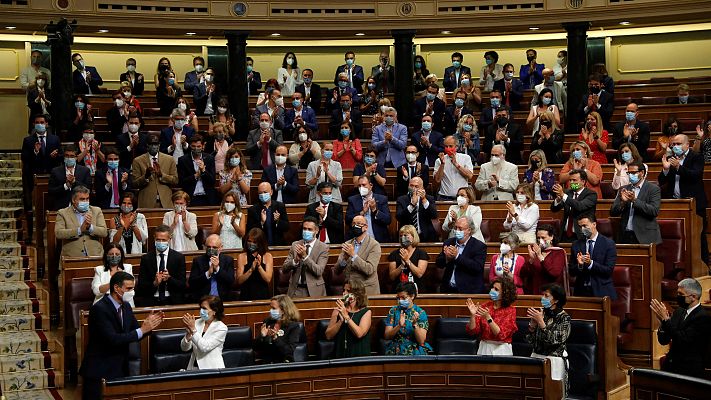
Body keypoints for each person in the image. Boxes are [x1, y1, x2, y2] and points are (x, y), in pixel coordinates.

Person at [80, 272, 163, 400]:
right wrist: (142, 330)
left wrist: (148, 326)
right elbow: (112, 339)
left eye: (133, 288)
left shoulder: (126, 307)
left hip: (120, 369)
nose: (132, 292)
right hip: (99, 370)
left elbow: (136, 332)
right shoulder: (100, 309)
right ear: (117, 288)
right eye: (129, 288)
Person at [658, 134, 708, 264]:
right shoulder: (670, 158)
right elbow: (662, 181)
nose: (675, 147)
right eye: (673, 144)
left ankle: (703, 264)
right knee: (676, 237)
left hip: (694, 204)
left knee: (698, 236)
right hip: (675, 204)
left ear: (687, 145)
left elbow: (695, 175)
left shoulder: (696, 157)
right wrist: (665, 169)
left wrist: (679, 168)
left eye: (678, 144)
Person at [651, 278, 711, 378]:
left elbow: (683, 339)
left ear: (693, 297)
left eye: (681, 294)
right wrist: (662, 322)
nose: (677, 297)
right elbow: (664, 340)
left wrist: (666, 320)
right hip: (671, 365)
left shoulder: (703, 317)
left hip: (690, 370)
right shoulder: (679, 311)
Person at [525, 283, 571, 398]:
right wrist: (532, 325)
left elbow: (555, 340)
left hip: (554, 360)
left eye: (546, 296)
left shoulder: (564, 318)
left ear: (555, 300)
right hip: (536, 358)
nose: (543, 298)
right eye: (543, 295)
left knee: (552, 394)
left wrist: (541, 324)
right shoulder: (541, 314)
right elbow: (529, 341)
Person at [135, 224, 187, 306]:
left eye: (163, 240)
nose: (161, 242)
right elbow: (141, 286)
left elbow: (182, 285)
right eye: (158, 240)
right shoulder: (146, 258)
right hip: (152, 299)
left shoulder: (178, 258)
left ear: (169, 239)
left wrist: (169, 279)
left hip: (172, 299)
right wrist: (155, 283)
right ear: (154, 239)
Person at [610, 162, 662, 245]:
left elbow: (654, 211)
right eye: (629, 173)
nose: (630, 175)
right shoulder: (623, 189)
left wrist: (634, 200)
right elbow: (613, 212)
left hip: (645, 236)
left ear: (642, 173)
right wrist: (623, 202)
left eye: (633, 173)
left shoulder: (653, 189)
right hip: (625, 235)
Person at [466, 277, 518, 355]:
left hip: (502, 349)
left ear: (505, 293)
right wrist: (473, 316)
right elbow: (473, 331)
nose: (492, 290)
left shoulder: (510, 310)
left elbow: (501, 335)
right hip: (485, 348)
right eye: (492, 288)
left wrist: (488, 318)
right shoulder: (485, 306)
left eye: (496, 289)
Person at [569, 215, 617, 299]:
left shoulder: (608, 244)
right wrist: (580, 265)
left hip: (602, 291)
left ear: (594, 224)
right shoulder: (576, 244)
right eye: (580, 227)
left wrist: (591, 263)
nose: (582, 229)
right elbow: (571, 271)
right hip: (581, 291)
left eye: (585, 226)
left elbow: (608, 270)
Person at [437, 216, 487, 294]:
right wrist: (446, 258)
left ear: (469, 230)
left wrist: (457, 256)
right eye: (455, 228)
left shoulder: (479, 246)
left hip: (468, 291)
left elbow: (477, 267)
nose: (457, 231)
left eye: (460, 228)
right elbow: (439, 264)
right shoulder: (449, 242)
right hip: (448, 290)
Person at [55, 185, 107, 259]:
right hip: (72, 257)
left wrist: (90, 227)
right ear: (73, 200)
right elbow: (58, 233)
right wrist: (79, 230)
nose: (85, 202)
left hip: (95, 255)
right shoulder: (62, 213)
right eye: (82, 199)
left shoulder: (96, 211)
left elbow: (104, 232)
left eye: (87, 199)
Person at [21, 114, 61, 209]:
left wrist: (56, 156)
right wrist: (35, 151)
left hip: (51, 175)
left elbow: (61, 156)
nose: (40, 124)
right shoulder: (28, 140)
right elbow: (24, 158)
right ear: (34, 124)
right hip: (34, 175)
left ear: (46, 124)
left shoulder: (55, 139)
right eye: (37, 123)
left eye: (42, 122)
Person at [283, 217, 329, 298]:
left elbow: (318, 271)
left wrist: (305, 256)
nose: (306, 231)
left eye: (310, 229)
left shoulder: (323, 247)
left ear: (316, 231)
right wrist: (295, 260)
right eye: (304, 229)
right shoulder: (295, 245)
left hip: (315, 290)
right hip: (295, 290)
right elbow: (284, 268)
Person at [325, 278, 372, 357]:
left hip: (359, 354)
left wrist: (346, 317)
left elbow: (359, 333)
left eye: (348, 291)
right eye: (344, 290)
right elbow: (328, 335)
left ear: (357, 294)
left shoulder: (366, 312)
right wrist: (340, 321)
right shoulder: (337, 310)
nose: (344, 293)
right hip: (341, 354)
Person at [336, 215, 382, 295]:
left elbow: (369, 269)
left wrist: (353, 255)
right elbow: (337, 270)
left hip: (366, 290)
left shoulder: (374, 245)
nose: (355, 226)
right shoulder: (348, 244)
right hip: (350, 290)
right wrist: (345, 260)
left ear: (366, 227)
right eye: (353, 224)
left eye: (359, 224)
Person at [384, 282, 432, 355]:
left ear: (412, 296)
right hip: (396, 349)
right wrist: (399, 326)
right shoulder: (393, 311)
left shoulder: (420, 313)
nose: (400, 300)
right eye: (398, 298)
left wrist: (415, 324)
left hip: (414, 349)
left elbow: (421, 341)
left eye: (403, 297)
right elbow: (387, 336)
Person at [180, 295, 228, 370]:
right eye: (201, 308)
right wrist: (188, 336)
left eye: (204, 308)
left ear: (214, 311)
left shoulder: (221, 328)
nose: (201, 311)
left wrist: (193, 330)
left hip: (212, 369)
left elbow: (204, 347)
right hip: (194, 368)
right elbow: (184, 348)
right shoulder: (196, 322)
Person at [551, 169, 598, 242]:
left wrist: (563, 195)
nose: (571, 182)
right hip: (564, 234)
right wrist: (558, 199)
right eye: (570, 180)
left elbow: (580, 206)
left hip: (581, 235)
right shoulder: (567, 193)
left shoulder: (591, 194)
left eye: (574, 180)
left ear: (583, 182)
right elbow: (554, 209)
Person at [254, 295, 301, 363]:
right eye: (271, 308)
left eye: (273, 308)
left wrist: (276, 339)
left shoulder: (293, 326)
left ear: (283, 310)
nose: (271, 311)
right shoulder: (268, 322)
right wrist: (261, 336)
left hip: (284, 363)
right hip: (267, 363)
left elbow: (289, 351)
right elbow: (256, 348)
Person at [189, 235, 236, 302]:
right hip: (203, 300)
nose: (211, 249)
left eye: (214, 247)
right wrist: (208, 273)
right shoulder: (198, 261)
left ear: (221, 248)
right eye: (208, 247)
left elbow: (231, 281)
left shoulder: (228, 260)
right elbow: (192, 283)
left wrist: (217, 269)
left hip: (223, 300)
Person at [346, 176, 391, 243]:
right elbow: (348, 220)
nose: (361, 188)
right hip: (358, 239)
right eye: (359, 186)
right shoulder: (352, 200)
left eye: (364, 185)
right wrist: (362, 212)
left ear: (371, 185)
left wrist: (374, 210)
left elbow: (388, 220)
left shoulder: (381, 199)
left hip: (377, 239)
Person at [48, 145, 93, 211]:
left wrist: (75, 182)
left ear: (76, 157)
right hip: (61, 207)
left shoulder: (84, 171)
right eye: (67, 156)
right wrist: (66, 186)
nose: (69, 158)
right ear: (64, 157)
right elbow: (51, 191)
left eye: (72, 156)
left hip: (80, 207)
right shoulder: (55, 171)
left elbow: (89, 189)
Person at [526, 224, 567, 294]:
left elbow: (554, 273)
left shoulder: (559, 252)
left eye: (543, 237)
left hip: (551, 293)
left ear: (551, 237)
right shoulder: (536, 252)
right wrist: (531, 260)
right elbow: (525, 274)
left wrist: (540, 257)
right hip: (536, 292)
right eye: (538, 238)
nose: (540, 240)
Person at [247, 182, 290, 246]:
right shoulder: (253, 210)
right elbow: (250, 231)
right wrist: (261, 222)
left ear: (271, 192)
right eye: (260, 193)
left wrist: (278, 221)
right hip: (260, 246)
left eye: (265, 192)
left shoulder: (280, 206)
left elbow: (287, 227)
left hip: (278, 245)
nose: (263, 194)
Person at [388, 225, 429, 291]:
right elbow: (392, 277)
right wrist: (402, 265)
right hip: (399, 288)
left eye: (405, 235)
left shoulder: (421, 253)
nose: (403, 238)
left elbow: (419, 274)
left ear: (413, 236)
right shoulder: (394, 253)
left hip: (417, 288)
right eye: (401, 236)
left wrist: (407, 261)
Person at [395, 177, 437, 243]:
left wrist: (424, 200)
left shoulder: (429, 198)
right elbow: (399, 217)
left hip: (426, 235)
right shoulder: (401, 199)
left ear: (422, 188)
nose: (413, 188)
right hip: (407, 236)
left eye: (416, 186)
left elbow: (434, 215)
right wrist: (412, 205)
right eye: (411, 186)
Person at [236, 228, 274, 301]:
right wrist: (251, 270)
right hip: (246, 295)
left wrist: (259, 267)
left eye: (254, 242)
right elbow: (239, 280)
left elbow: (268, 279)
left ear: (260, 242)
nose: (251, 244)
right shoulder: (242, 256)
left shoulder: (268, 256)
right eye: (249, 241)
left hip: (263, 296)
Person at [434, 136, 474, 201]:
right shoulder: (439, 160)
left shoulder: (466, 158)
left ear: (456, 147)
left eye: (450, 146)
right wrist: (442, 164)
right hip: (444, 197)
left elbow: (470, 176)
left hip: (462, 197)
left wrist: (456, 164)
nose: (448, 148)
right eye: (446, 146)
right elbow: (438, 180)